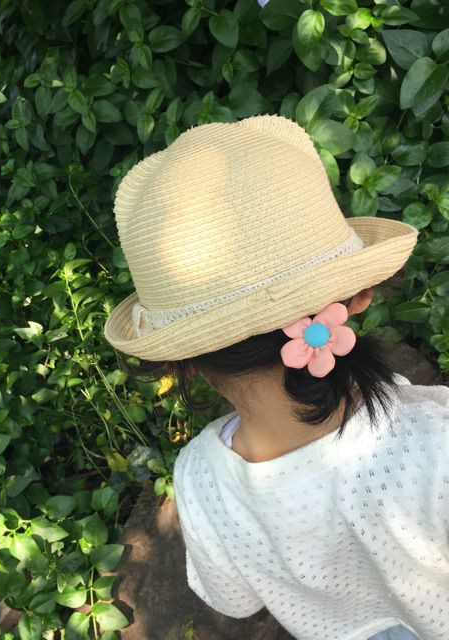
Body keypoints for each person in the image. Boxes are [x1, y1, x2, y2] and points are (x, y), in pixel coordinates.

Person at [103, 114, 449, 639]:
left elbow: (235, 600)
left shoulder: (198, 479)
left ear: (181, 359)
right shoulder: (435, 442)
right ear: (360, 295)